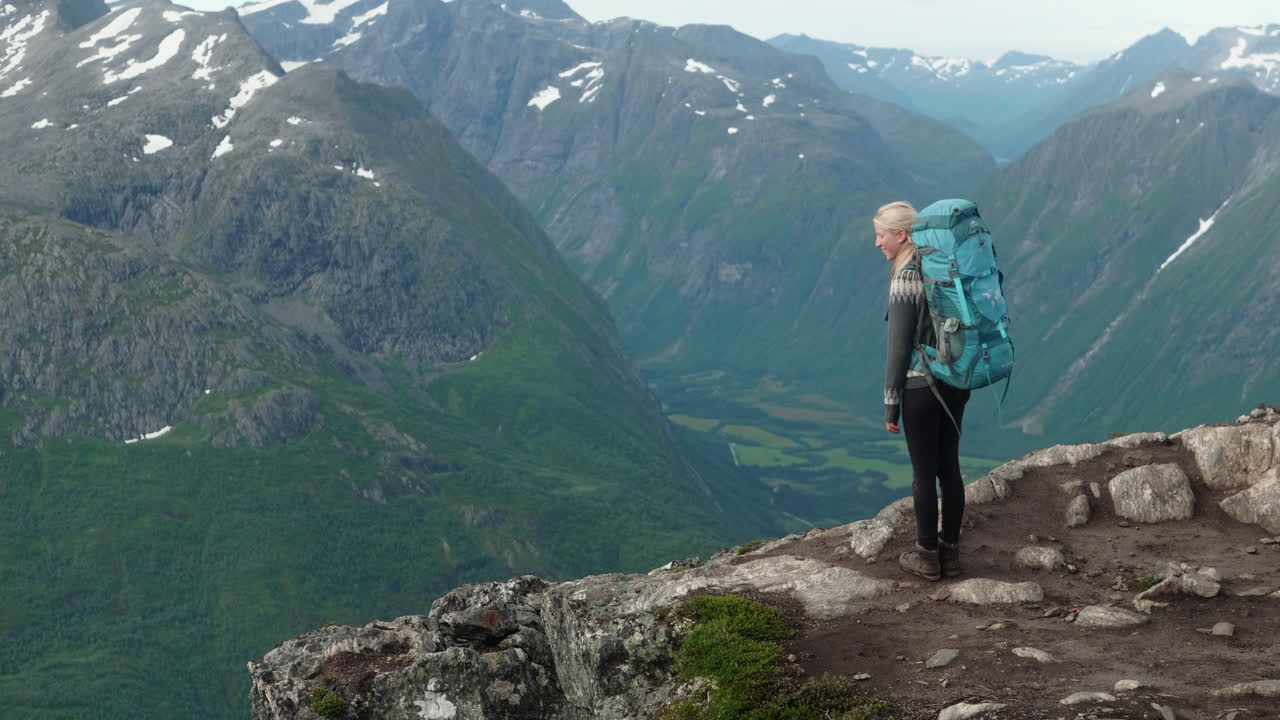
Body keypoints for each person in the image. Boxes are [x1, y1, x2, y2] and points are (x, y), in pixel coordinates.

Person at [874, 201, 970, 581]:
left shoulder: (905, 279)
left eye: (881, 234)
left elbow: (898, 348)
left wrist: (890, 405)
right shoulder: (942, 267)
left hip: (919, 386)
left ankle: (927, 556)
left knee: (923, 473)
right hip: (955, 381)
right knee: (950, 467)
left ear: (901, 235)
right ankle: (952, 553)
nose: (877, 243)